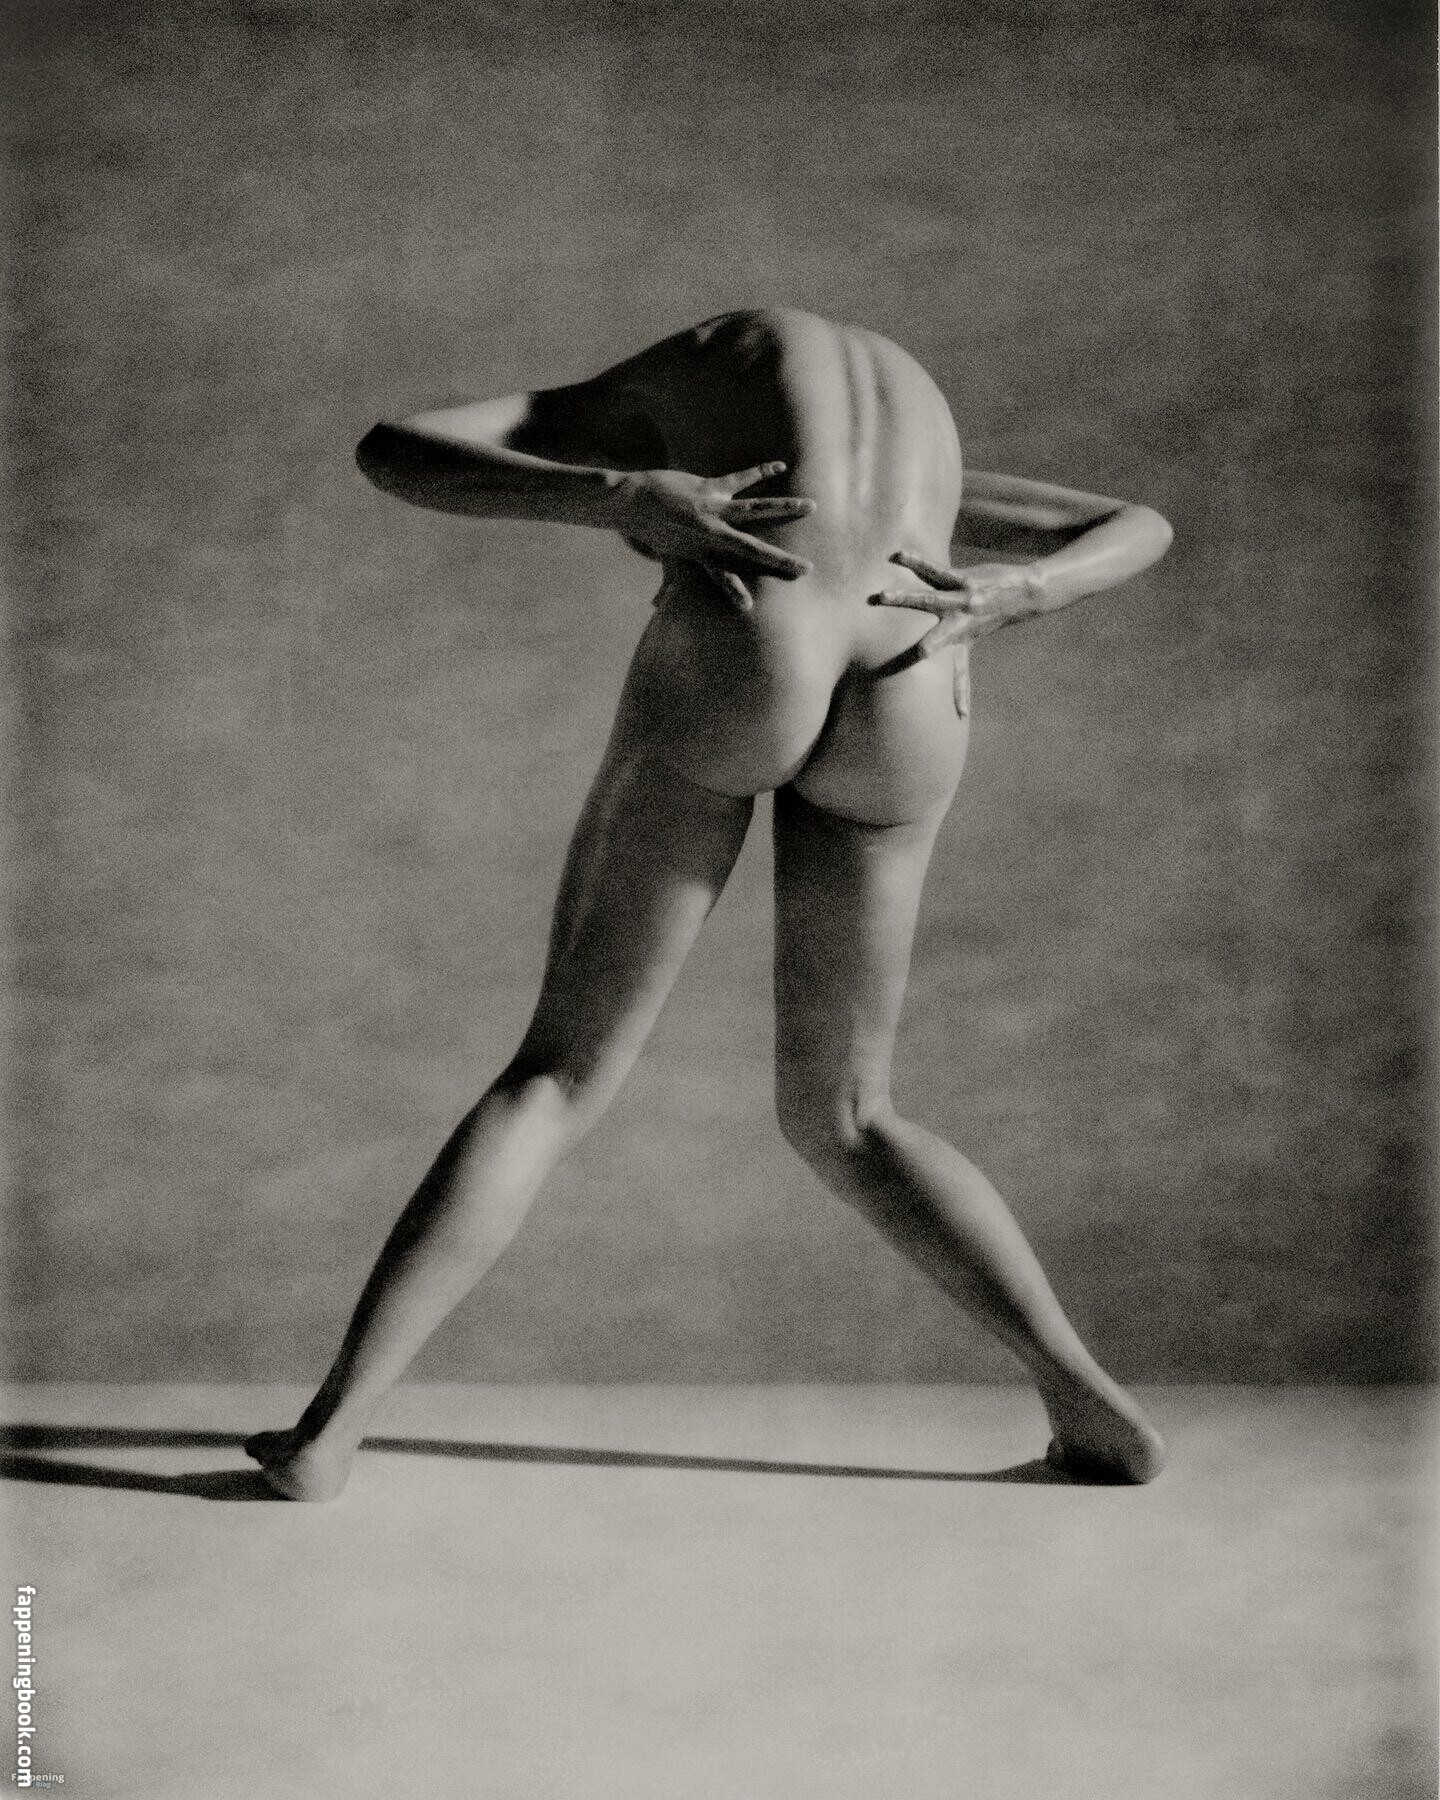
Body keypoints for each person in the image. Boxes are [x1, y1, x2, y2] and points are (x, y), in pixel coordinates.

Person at [245, 307, 1174, 1500]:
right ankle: (1083, 1398)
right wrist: (1025, 589)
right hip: (917, 671)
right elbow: (1139, 524)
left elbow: (398, 448)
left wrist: (622, 496)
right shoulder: (903, 423)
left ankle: (329, 1434)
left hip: (751, 641)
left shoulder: (689, 364)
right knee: (850, 1114)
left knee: (557, 1076)